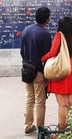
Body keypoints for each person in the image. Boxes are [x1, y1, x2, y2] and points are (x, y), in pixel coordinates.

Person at [41, 15, 72, 133]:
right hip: (71, 69)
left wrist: (42, 59)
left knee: (63, 104)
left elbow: (53, 52)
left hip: (61, 71)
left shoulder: (59, 36)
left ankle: (62, 129)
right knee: (71, 102)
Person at [20, 7, 52, 135]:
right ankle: (41, 129)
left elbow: (22, 51)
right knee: (40, 101)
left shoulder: (26, 30)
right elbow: (47, 55)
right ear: (47, 19)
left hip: (27, 70)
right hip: (39, 71)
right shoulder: (45, 34)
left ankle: (28, 126)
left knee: (30, 98)